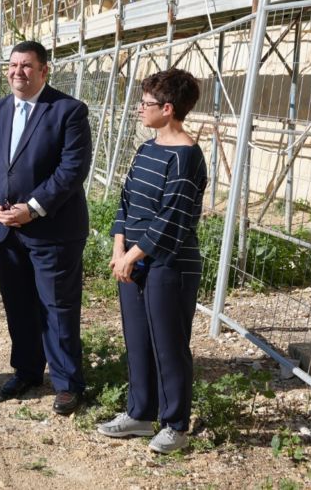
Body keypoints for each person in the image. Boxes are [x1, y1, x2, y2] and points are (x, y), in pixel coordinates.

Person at [0, 40, 91, 415]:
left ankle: (68, 383)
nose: (17, 72)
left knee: (57, 306)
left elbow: (71, 170)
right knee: (17, 304)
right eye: (13, 65)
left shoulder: (68, 111)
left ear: (43, 71)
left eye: (26, 66)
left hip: (51, 230)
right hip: (4, 229)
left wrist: (32, 209)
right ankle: (27, 371)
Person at [97, 68, 207, 454]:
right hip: (133, 257)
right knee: (138, 341)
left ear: (168, 108)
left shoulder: (187, 158)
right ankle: (140, 414)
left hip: (170, 263)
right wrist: (118, 248)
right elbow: (126, 201)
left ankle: (175, 424)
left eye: (145, 103)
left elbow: (172, 218)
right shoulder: (148, 148)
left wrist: (133, 254)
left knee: (169, 344)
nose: (139, 110)